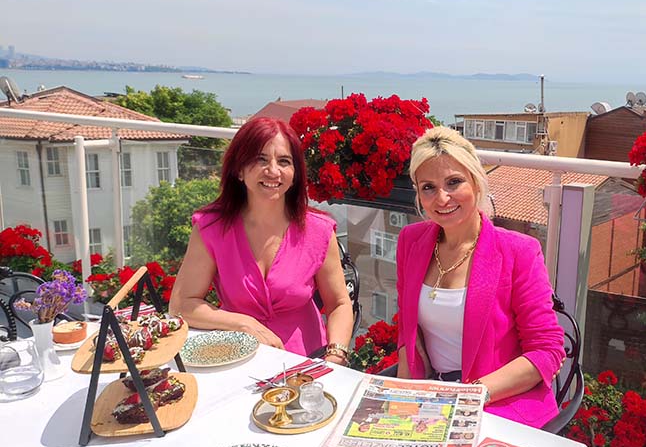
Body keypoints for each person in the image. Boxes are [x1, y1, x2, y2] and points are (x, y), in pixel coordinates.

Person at [395, 126, 566, 428]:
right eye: (428, 187)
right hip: (432, 399)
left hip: (498, 404)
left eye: (454, 182)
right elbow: (408, 333)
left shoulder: (519, 251)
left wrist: (472, 395)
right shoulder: (411, 241)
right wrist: (401, 401)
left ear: (476, 181)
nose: (442, 198)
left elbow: (547, 350)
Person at [170, 117, 353, 364]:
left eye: (284, 161)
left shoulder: (319, 230)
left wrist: (336, 355)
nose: (273, 171)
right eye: (261, 159)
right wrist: (243, 323)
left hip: (306, 364)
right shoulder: (211, 227)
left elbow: (339, 303)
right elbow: (182, 304)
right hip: (234, 361)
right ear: (239, 169)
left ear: (295, 173)